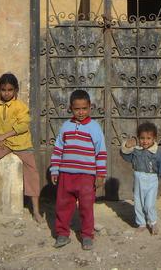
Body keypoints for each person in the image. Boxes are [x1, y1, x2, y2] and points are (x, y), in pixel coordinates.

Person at [0, 73, 43, 223]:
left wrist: (4, 135)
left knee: (32, 172)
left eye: (10, 90)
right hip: (2, 143)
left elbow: (23, 125)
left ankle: (36, 211)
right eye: (4, 90)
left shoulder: (20, 106)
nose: (7, 93)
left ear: (15, 90)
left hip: (21, 143)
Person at [50, 89, 107, 251]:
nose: (80, 112)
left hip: (86, 176)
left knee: (86, 206)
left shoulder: (95, 127)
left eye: (84, 108)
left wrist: (101, 174)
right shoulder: (66, 126)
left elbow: (101, 152)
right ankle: (62, 233)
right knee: (63, 204)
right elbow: (58, 149)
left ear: (90, 107)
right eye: (77, 109)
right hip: (66, 174)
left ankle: (87, 235)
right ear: (71, 108)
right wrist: (55, 170)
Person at [120, 121, 161, 235]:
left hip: (151, 180)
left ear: (154, 138)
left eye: (148, 138)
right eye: (142, 138)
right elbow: (126, 156)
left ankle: (153, 222)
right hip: (138, 179)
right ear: (138, 138)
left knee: (149, 204)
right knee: (138, 202)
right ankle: (141, 223)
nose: (145, 141)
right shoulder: (136, 151)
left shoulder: (157, 153)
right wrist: (126, 147)